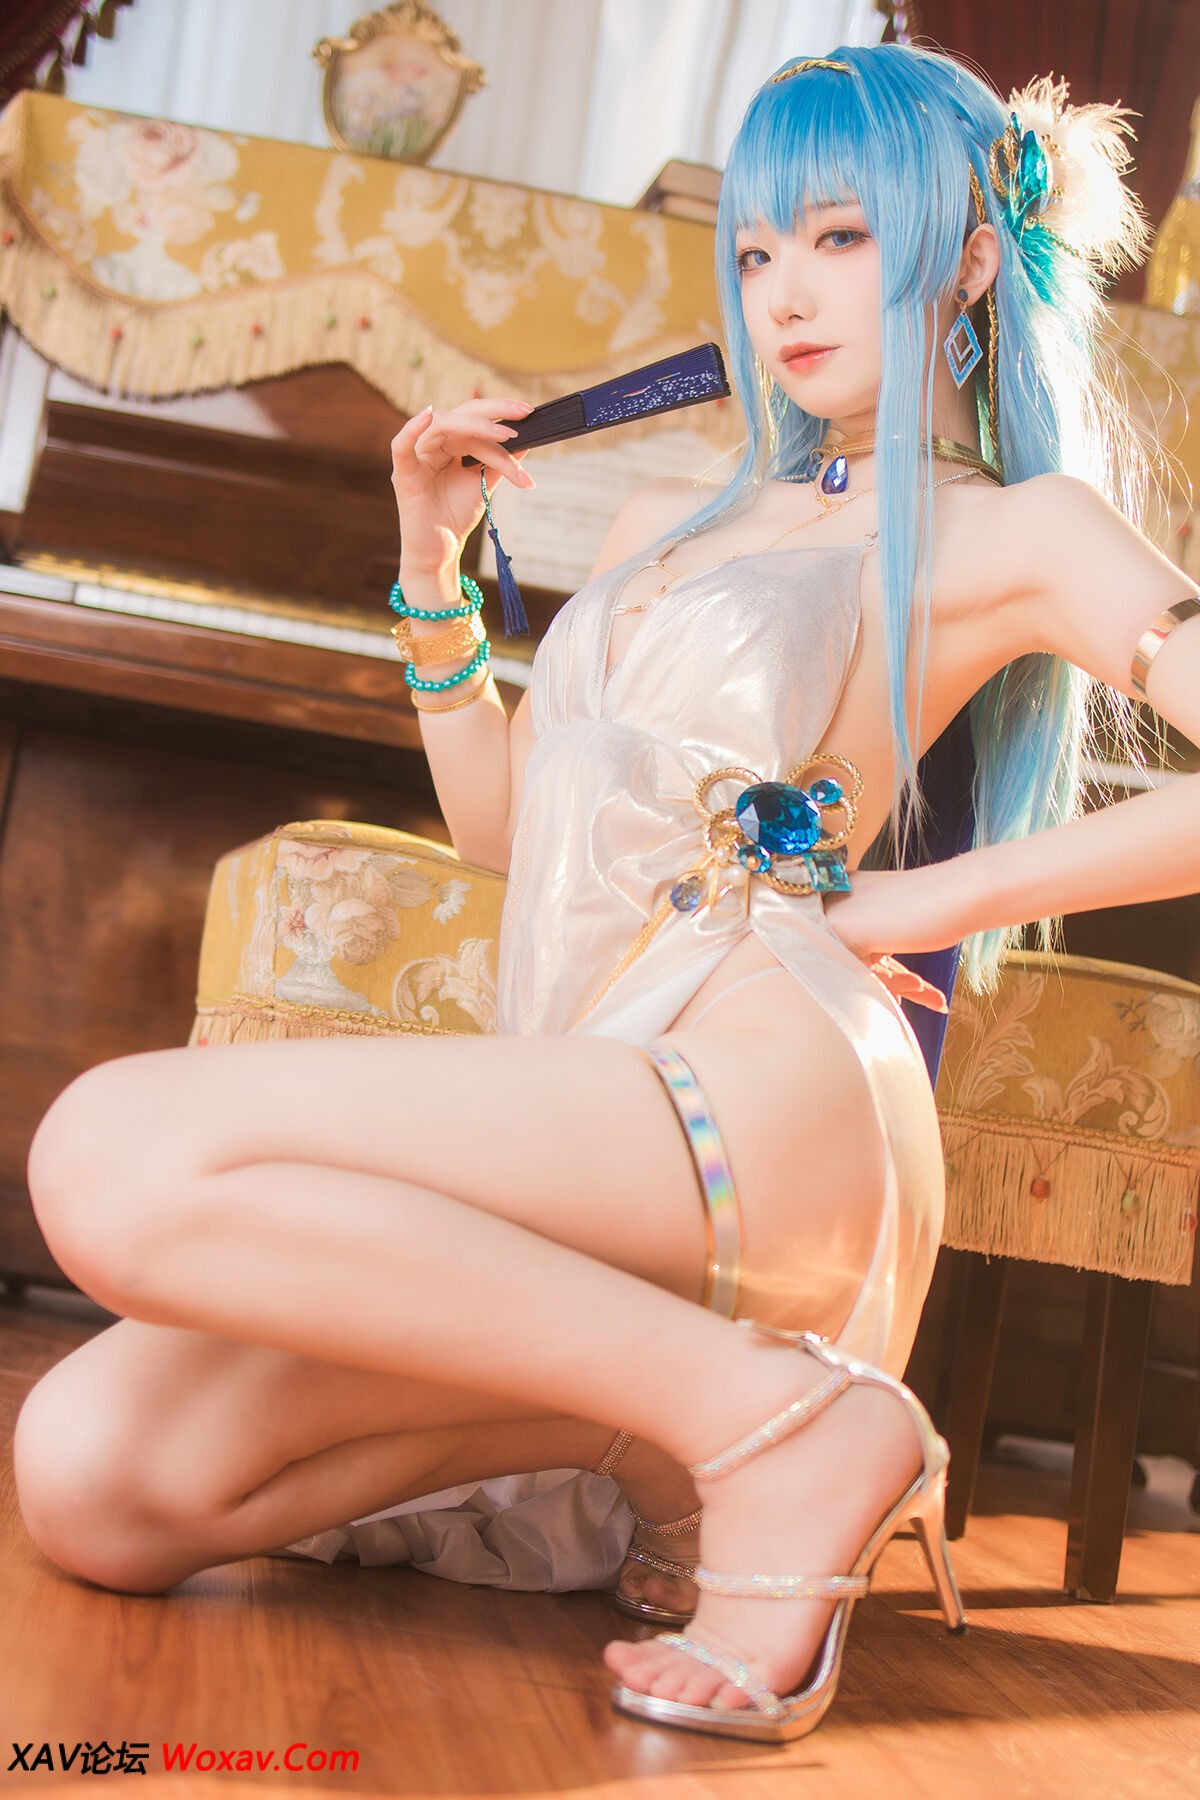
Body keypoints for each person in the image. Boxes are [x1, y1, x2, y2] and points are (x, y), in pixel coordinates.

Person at [11, 41, 1200, 1743]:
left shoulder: (1014, 530)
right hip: (594, 1087)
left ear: (966, 258)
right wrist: (433, 574)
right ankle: (671, 1423)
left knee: (105, 1150)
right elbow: (512, 840)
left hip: (761, 1086)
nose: (786, 291)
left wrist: (922, 904)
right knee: (92, 1477)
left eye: (843, 237)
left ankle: (787, 1429)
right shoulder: (663, 514)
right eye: (761, 248)